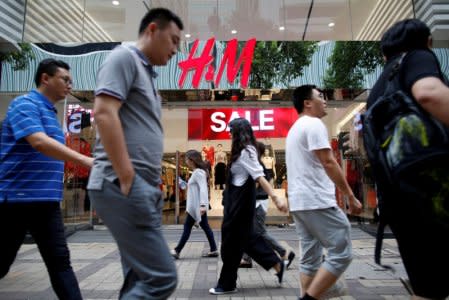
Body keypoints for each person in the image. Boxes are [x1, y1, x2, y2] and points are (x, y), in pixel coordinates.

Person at [86, 8, 183, 299]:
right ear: (152, 29)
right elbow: (104, 113)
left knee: (138, 277)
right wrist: (126, 175)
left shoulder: (145, 72)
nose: (176, 50)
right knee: (161, 279)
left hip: (135, 185)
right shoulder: (124, 57)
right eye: (174, 40)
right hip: (122, 184)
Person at [366, 19, 449, 299]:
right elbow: (429, 93)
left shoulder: (379, 88)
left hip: (400, 201)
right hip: (437, 190)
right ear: (426, 42)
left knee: (427, 288)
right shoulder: (417, 57)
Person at [0, 58, 94, 300]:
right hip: (16, 201)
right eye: (65, 79)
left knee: (60, 262)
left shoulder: (51, 113)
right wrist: (85, 161)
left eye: (71, 81)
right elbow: (39, 142)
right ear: (45, 78)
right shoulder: (24, 104)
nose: (70, 86)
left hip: (46, 202)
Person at [286, 85, 363, 300]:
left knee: (310, 259)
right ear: (307, 103)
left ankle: (312, 294)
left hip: (301, 203)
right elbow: (329, 162)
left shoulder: (295, 129)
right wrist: (349, 195)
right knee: (342, 252)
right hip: (316, 200)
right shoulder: (313, 124)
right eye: (321, 96)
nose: (326, 100)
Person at [209, 118, 289, 295]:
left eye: (231, 130)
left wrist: (276, 198)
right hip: (237, 206)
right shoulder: (242, 151)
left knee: (231, 246)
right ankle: (277, 265)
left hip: (239, 208)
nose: (229, 133)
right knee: (248, 240)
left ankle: (227, 284)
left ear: (238, 132)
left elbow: (259, 177)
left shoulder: (247, 151)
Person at [240, 141, 295, 269]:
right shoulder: (258, 164)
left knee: (259, 232)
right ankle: (246, 258)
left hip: (257, 203)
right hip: (257, 202)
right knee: (249, 231)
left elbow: (256, 185)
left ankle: (283, 252)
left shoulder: (256, 164)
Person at [170, 149, 219, 259]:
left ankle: (177, 250)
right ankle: (214, 249)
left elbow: (203, 189)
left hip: (197, 207)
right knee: (205, 227)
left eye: (186, 159)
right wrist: (183, 183)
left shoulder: (198, 173)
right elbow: (195, 187)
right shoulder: (197, 172)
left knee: (187, 227)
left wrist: (202, 205)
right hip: (196, 207)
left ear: (192, 160)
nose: (185, 161)